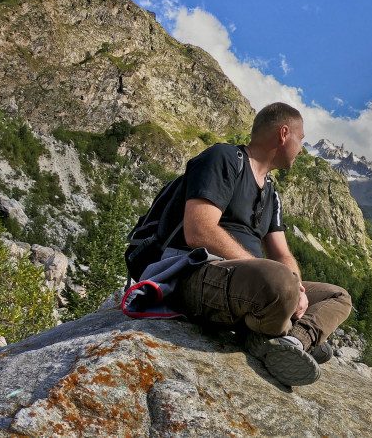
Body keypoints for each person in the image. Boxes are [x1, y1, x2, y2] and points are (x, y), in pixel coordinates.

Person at [142, 102, 352, 386]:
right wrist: (279, 279)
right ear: (283, 133)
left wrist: (299, 290)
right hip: (197, 274)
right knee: (279, 281)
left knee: (337, 296)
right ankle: (285, 332)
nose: (302, 149)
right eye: (300, 139)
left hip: (251, 286)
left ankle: (292, 340)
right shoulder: (224, 158)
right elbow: (199, 231)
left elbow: (281, 252)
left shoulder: (272, 193)